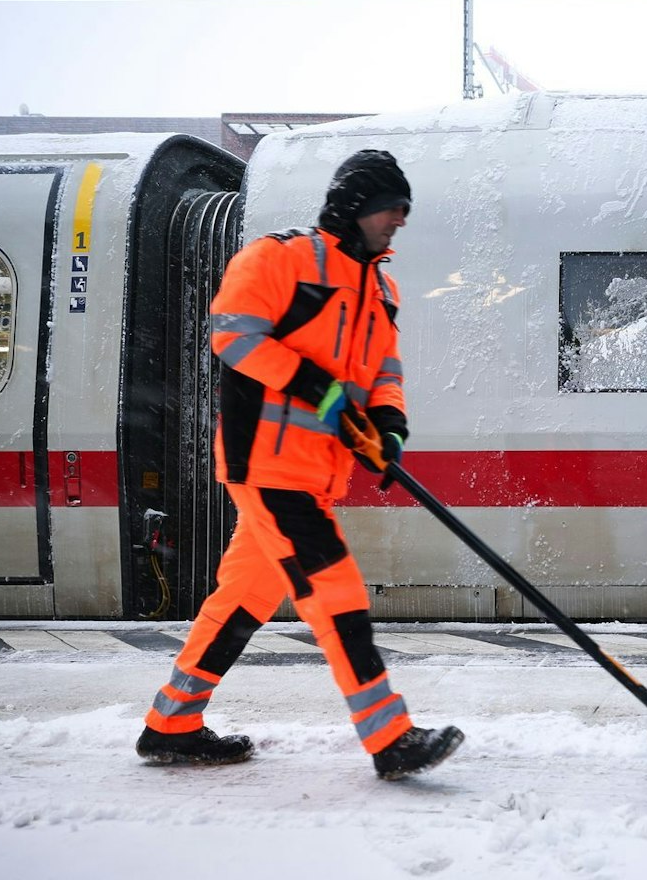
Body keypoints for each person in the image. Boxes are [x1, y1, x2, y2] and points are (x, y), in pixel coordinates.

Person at [135, 150, 464, 780]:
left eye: (403, 211)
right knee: (335, 587)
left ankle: (171, 723)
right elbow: (233, 335)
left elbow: (383, 372)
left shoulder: (380, 286)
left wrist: (389, 425)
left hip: (315, 470)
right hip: (265, 461)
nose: (398, 221)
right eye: (389, 209)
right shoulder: (280, 258)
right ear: (354, 207)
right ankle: (389, 736)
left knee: (245, 597)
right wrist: (317, 386)